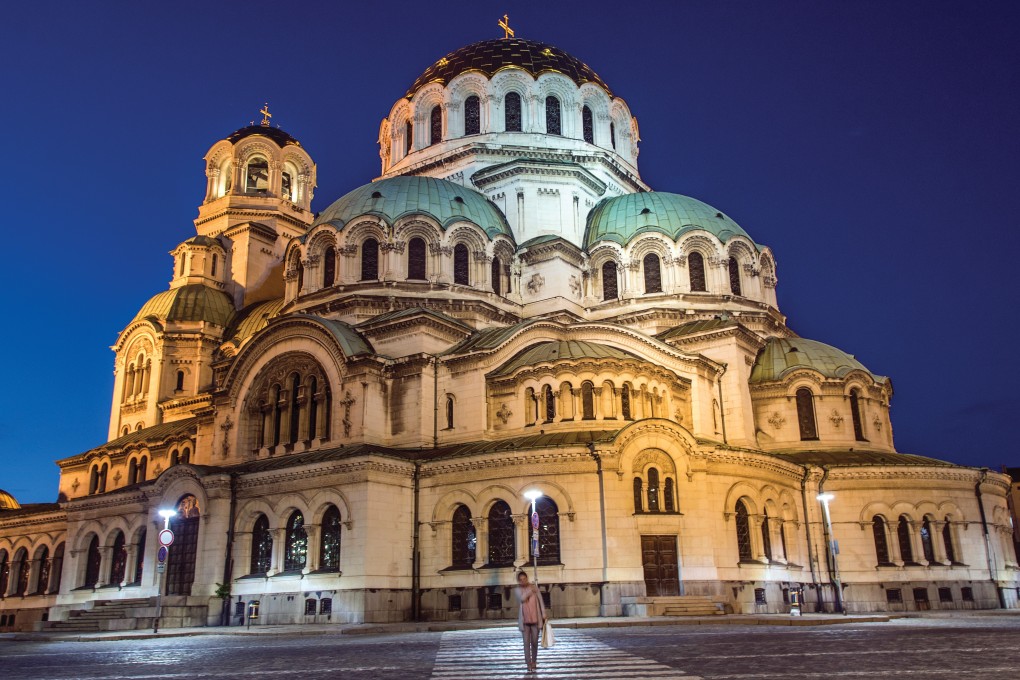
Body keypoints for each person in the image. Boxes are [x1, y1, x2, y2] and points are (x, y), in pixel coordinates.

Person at [516, 570, 547, 673]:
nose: (523, 581)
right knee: (526, 643)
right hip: (525, 621)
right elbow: (522, 599)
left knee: (534, 642)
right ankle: (528, 663)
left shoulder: (535, 588)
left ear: (527, 578)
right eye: (520, 580)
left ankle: (534, 661)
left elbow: (541, 601)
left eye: (524, 579)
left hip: (535, 619)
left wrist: (543, 614)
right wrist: (530, 591)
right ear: (518, 581)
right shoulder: (518, 590)